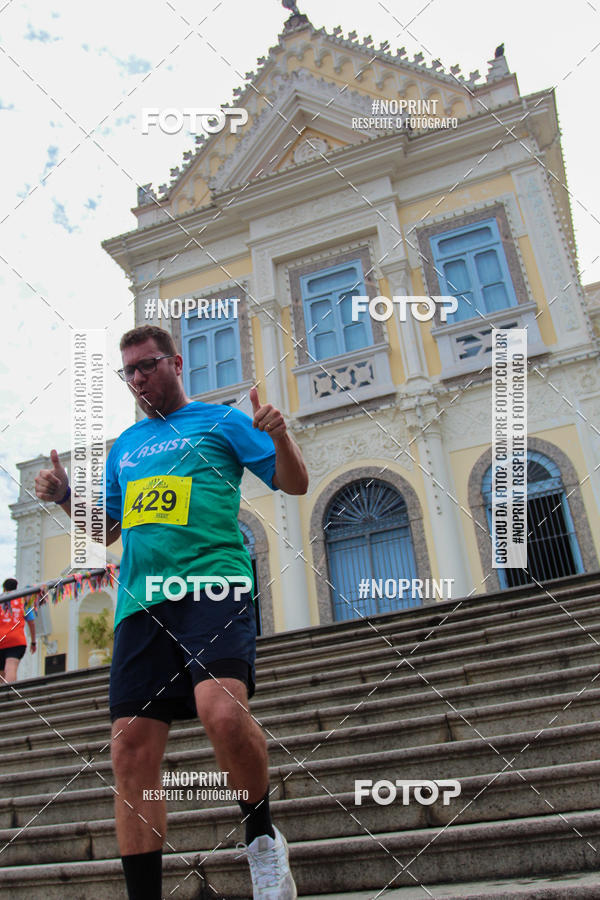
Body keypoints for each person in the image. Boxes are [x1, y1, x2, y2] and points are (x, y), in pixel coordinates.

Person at [34, 324, 308, 900]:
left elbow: (294, 482)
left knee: (224, 714)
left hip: (213, 585)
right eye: (128, 371)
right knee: (129, 748)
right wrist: (64, 497)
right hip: (141, 602)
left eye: (147, 366)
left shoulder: (222, 421)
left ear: (176, 364)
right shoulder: (125, 447)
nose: (138, 379)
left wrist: (280, 437)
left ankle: (262, 842)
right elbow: (108, 529)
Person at [0, 578, 36, 683]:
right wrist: (33, 642)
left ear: (4, 588)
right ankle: (9, 694)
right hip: (17, 640)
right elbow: (32, 623)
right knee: (11, 667)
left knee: (1, 673)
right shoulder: (22, 601)